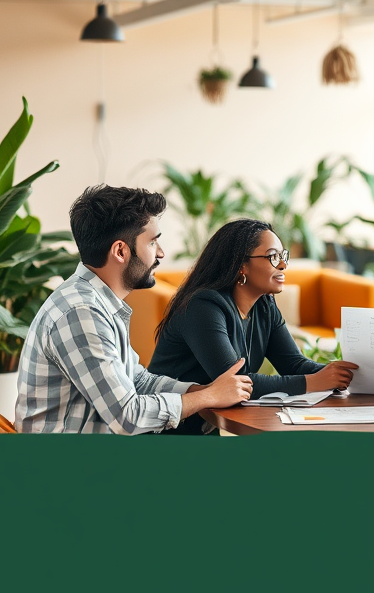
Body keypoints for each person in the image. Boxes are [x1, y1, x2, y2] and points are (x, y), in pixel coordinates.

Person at [16, 185, 253, 433]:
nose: (161, 253)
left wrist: (203, 391)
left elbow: (136, 380)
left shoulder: (97, 302)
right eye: (152, 243)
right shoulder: (81, 312)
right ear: (121, 251)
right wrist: (207, 399)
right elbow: (127, 417)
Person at [148, 219, 358, 435]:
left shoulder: (264, 305)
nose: (283, 265)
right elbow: (236, 384)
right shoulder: (203, 307)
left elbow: (293, 364)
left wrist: (343, 375)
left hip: (203, 430)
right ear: (241, 265)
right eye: (273, 257)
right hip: (165, 432)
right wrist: (314, 381)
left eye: (283, 256)